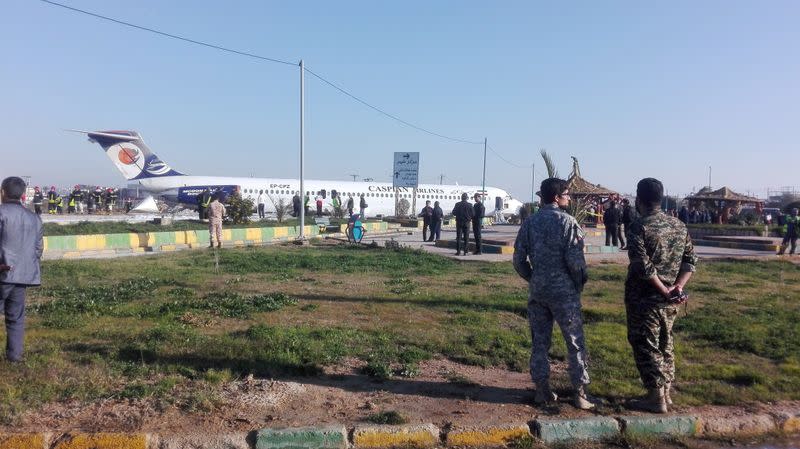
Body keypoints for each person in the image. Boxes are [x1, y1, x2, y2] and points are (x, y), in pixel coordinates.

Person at [513, 178, 594, 410]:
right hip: (564, 292)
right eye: (567, 194)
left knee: (540, 341)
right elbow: (576, 263)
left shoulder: (530, 222)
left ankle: (542, 390)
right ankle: (580, 393)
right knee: (575, 341)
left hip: (539, 290)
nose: (569, 198)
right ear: (557, 198)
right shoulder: (568, 222)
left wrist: (534, 277)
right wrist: (578, 284)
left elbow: (518, 259)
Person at [625, 178, 697, 413]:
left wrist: (663, 288)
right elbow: (690, 261)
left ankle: (655, 397)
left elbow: (643, 266)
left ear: (639, 198)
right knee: (666, 342)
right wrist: (677, 286)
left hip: (645, 298)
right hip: (671, 300)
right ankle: (666, 392)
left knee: (646, 344)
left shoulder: (639, 226)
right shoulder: (679, 226)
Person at [0, 177, 43, 362]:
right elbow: (38, 249)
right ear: (23, 195)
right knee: (16, 318)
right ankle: (14, 358)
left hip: (2, 273)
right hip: (22, 275)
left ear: (2, 192)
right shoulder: (35, 218)